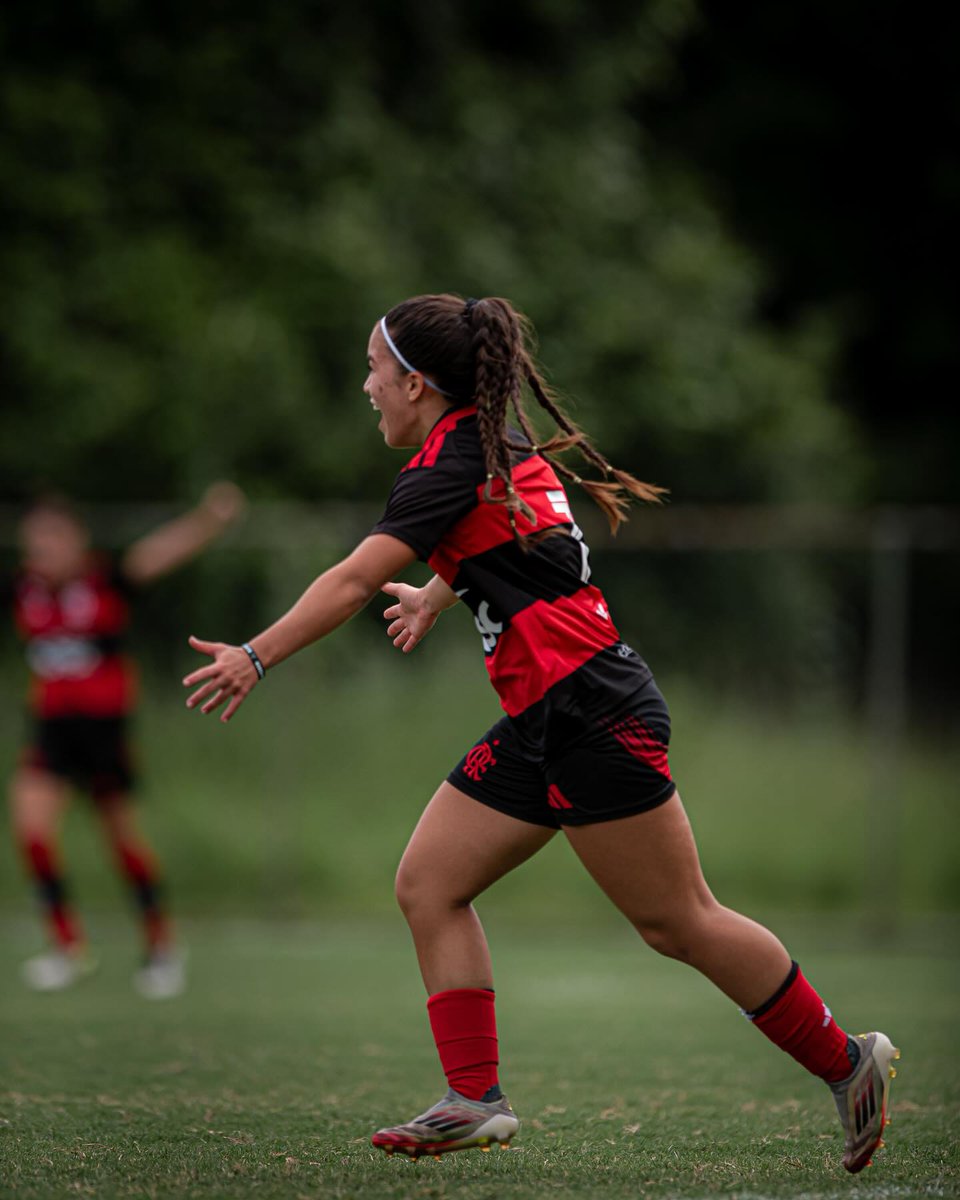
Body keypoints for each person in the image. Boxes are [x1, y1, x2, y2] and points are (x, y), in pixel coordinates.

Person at [182, 294, 898, 1172]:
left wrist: (255, 657)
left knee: (679, 922)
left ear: (416, 382)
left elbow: (349, 579)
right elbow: (517, 537)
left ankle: (846, 1061)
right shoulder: (488, 448)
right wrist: (442, 594)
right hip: (545, 715)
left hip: (593, 711)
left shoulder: (446, 463)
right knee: (429, 883)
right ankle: (473, 1099)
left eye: (374, 369)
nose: (366, 386)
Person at [10, 482, 245, 998]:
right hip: (51, 733)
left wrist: (210, 519)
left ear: (75, 540)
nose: (41, 549)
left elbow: (160, 552)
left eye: (50, 538)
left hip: (103, 735)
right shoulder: (25, 589)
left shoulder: (105, 580)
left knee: (123, 842)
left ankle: (161, 947)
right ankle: (67, 946)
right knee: (31, 829)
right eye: (34, 540)